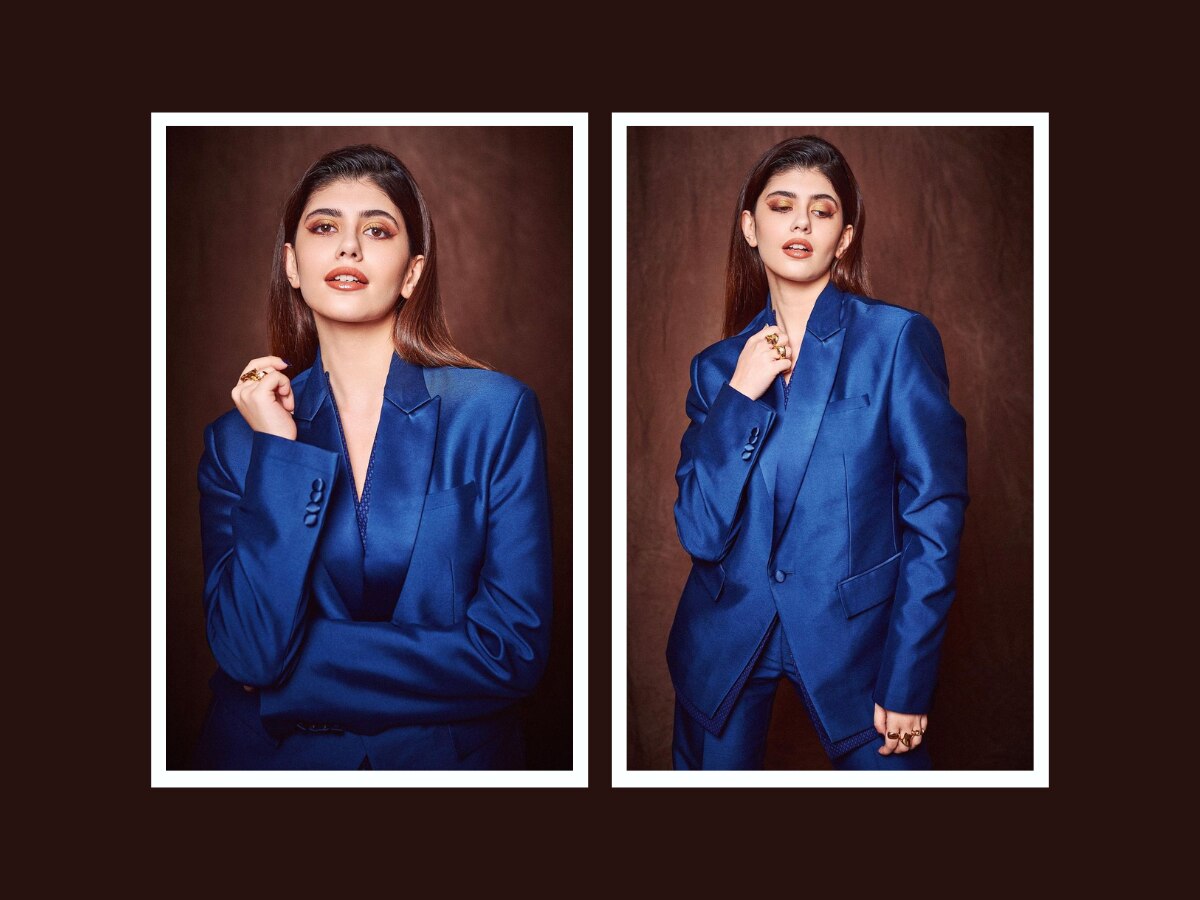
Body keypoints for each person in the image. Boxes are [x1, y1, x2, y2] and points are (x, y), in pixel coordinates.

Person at [191, 144, 553, 770]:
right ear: (292, 265)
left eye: (377, 230)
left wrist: (291, 674)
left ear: (412, 273)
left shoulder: (496, 412)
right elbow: (247, 651)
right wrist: (278, 451)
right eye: (324, 226)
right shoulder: (234, 442)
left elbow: (511, 652)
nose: (348, 248)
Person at [666, 135, 969, 770]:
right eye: (781, 205)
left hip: (858, 644)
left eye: (822, 210)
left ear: (845, 236)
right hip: (723, 644)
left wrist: (909, 677)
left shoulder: (895, 340)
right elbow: (699, 528)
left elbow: (934, 519)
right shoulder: (715, 369)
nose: (801, 222)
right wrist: (740, 397)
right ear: (751, 228)